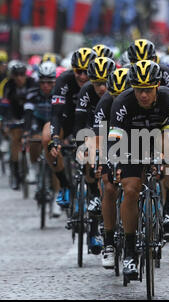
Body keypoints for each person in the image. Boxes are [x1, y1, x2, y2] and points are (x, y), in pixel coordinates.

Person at [108, 60, 169, 279]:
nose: (143, 95)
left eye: (148, 90)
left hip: (159, 138)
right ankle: (130, 251)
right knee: (131, 190)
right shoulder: (122, 101)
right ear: (132, 87)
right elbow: (114, 140)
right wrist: (116, 164)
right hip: (130, 143)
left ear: (157, 85)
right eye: (139, 90)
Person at [42, 48, 97, 209]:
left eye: (86, 71)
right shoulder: (64, 80)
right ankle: (64, 184)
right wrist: (55, 138)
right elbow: (56, 113)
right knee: (46, 137)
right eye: (78, 71)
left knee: (91, 149)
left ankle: (93, 191)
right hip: (66, 119)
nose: (82, 76)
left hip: (89, 122)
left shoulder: (99, 82)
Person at [74, 56, 116, 255]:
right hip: (93, 130)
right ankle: (93, 194)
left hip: (116, 132)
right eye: (97, 83)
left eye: (106, 82)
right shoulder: (85, 92)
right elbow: (80, 124)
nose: (102, 88)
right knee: (90, 152)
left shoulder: (119, 89)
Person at [92, 67, 131, 268]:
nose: (119, 100)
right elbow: (99, 137)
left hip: (137, 137)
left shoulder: (139, 98)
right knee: (108, 186)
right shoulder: (105, 102)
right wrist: (99, 160)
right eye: (115, 95)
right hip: (111, 140)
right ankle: (108, 243)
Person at [23, 61, 63, 217]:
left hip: (54, 125)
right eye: (43, 82)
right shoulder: (32, 93)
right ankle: (34, 168)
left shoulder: (59, 94)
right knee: (34, 139)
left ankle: (57, 201)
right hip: (37, 123)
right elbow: (27, 115)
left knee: (55, 158)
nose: (46, 85)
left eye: (49, 82)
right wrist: (26, 132)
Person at [0, 61, 38, 190]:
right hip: (15, 115)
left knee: (34, 139)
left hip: (32, 114)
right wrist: (4, 121)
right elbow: (4, 105)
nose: (20, 78)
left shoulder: (33, 83)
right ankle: (15, 175)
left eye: (22, 74)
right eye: (16, 75)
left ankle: (35, 167)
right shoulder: (8, 86)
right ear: (12, 76)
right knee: (15, 139)